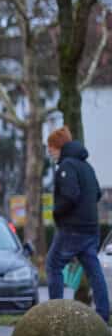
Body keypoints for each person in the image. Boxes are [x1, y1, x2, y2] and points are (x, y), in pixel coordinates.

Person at [45, 126, 109, 321]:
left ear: (59, 147)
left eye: (51, 147)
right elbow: (97, 193)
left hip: (72, 229)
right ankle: (103, 314)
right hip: (91, 228)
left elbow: (70, 196)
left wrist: (56, 213)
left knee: (53, 265)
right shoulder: (86, 166)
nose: (49, 151)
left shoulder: (67, 166)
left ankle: (55, 313)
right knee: (94, 271)